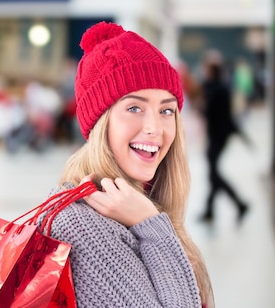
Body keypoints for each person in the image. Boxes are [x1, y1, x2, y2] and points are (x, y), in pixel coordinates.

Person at [41, 22, 214, 307]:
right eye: (134, 108)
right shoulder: (84, 226)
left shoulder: (135, 204)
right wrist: (152, 226)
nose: (154, 128)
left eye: (166, 110)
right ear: (100, 123)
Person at [200, 58, 249, 223]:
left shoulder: (217, 89)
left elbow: (212, 113)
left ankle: (239, 204)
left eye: (206, 68)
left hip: (218, 137)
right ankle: (211, 210)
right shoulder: (217, 87)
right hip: (218, 136)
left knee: (214, 174)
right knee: (213, 173)